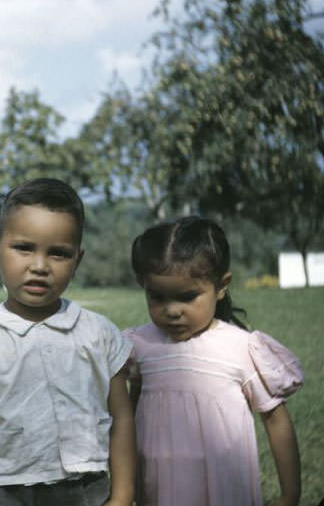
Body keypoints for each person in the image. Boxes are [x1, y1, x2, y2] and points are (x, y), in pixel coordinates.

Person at [0, 178, 136, 506]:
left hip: (88, 490)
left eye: (59, 253)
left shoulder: (98, 334)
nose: (39, 266)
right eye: (24, 248)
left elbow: (122, 418)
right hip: (9, 493)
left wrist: (122, 496)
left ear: (78, 260)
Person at [124, 216, 303, 506]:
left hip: (224, 490)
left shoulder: (241, 347)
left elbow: (276, 420)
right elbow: (125, 419)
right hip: (158, 489)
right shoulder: (139, 346)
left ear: (221, 286)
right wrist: (124, 488)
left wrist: (290, 493)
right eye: (157, 297)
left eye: (187, 296)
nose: (172, 310)